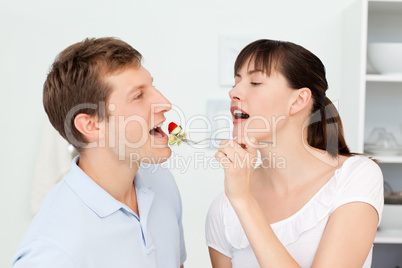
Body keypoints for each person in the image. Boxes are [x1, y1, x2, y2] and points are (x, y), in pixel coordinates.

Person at [206, 39, 383, 267]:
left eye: (255, 82)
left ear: (298, 100)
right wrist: (239, 198)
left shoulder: (355, 177)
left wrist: (244, 200)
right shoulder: (223, 209)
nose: (234, 92)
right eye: (236, 81)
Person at [12, 37, 186, 268]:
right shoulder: (52, 252)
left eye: (152, 87)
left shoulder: (160, 180)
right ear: (91, 126)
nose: (165, 103)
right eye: (138, 95)